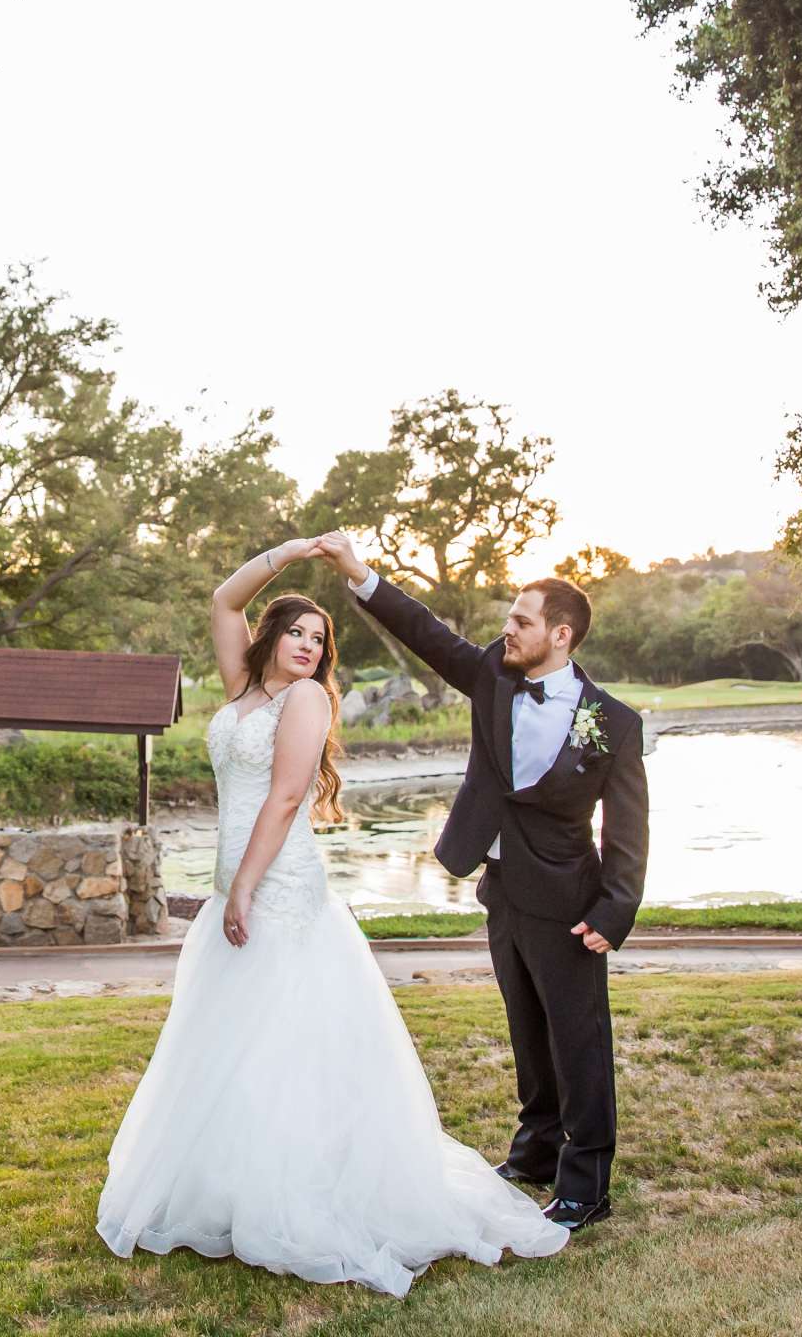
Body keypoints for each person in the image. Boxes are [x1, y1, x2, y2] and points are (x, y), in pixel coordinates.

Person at [95, 537, 568, 1297]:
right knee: (232, 1042)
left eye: (321, 640)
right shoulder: (242, 689)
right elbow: (223, 600)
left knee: (288, 1042)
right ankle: (229, 1184)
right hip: (235, 887)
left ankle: (305, 1189)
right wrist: (289, 551)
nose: (311, 648)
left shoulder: (305, 700)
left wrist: (244, 887)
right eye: (298, 634)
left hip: (277, 886)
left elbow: (285, 799)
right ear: (270, 637)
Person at [315, 530, 648, 1231]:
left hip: (570, 904)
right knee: (528, 1034)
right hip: (502, 890)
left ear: (560, 635)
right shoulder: (493, 676)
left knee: (578, 1044)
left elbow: (627, 829)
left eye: (522, 620)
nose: (507, 627)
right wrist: (357, 574)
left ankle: (586, 1184)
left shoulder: (611, 723)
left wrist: (612, 913)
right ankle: (534, 1153)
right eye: (510, 615)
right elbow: (423, 630)